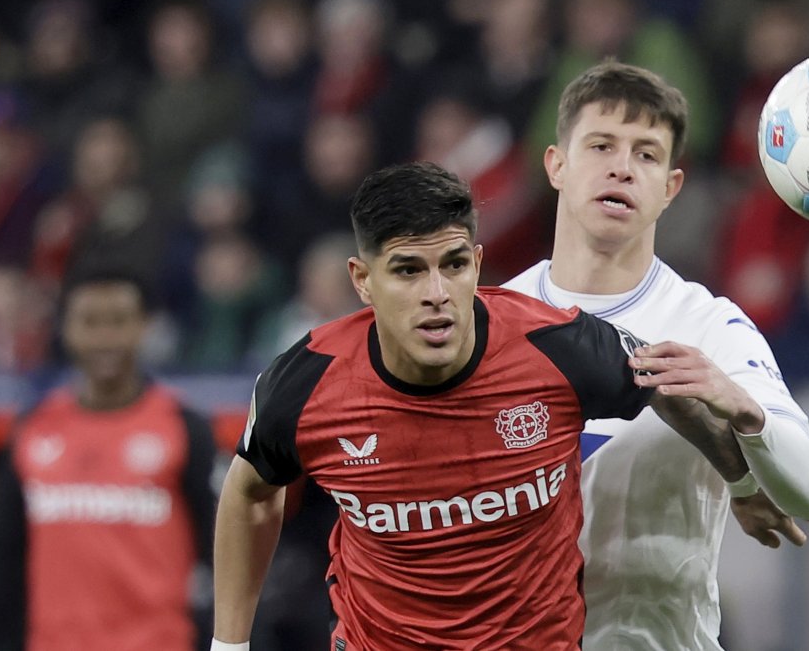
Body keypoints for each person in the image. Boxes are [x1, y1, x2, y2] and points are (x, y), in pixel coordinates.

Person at [211, 161, 769, 650]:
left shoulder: (560, 348)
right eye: (408, 270)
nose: (437, 293)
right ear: (363, 281)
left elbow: (661, 385)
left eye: (453, 265)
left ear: (477, 264)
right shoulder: (306, 384)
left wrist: (741, 482)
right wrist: (228, 644)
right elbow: (250, 490)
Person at [503, 60, 809, 650]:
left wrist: (746, 414)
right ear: (556, 164)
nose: (622, 168)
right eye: (601, 145)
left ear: (670, 189)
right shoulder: (493, 320)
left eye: (647, 155)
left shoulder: (709, 326)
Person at [0, 269, 217, 651]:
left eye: (118, 321)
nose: (104, 338)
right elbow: (4, 564)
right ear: (66, 328)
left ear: (145, 326)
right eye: (89, 322)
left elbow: (223, 557)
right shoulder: (34, 428)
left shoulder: (184, 429)